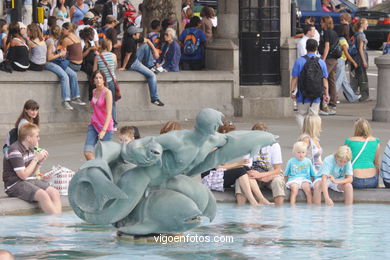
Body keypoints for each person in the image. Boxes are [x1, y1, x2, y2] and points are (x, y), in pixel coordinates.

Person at [201, 121, 271, 206]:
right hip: (210, 178)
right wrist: (238, 164)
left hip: (218, 174)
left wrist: (241, 164)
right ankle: (253, 202)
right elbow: (218, 167)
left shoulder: (223, 146)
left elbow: (225, 166)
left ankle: (262, 199)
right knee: (240, 171)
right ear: (224, 133)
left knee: (246, 169)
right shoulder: (215, 146)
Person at [3, 123, 62, 215]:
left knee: (54, 193)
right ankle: (56, 222)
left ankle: (58, 218)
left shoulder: (31, 148)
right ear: (28, 138)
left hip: (27, 180)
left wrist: (40, 161)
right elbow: (23, 175)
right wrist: (35, 159)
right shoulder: (15, 150)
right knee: (43, 195)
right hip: (14, 184)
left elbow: (30, 173)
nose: (39, 138)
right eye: (37, 136)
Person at [119, 26, 164, 106]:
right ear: (133, 35)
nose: (139, 34)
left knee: (146, 46)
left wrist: (155, 51)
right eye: (138, 33)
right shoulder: (130, 42)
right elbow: (127, 56)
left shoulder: (134, 38)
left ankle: (150, 66)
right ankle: (154, 98)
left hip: (134, 58)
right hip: (132, 64)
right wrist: (124, 67)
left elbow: (148, 41)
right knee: (152, 75)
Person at [290, 39, 330, 130]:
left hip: (302, 94)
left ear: (305, 47)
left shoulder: (299, 61)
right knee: (314, 116)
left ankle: (304, 135)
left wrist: (292, 91)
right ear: (316, 48)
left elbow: (295, 78)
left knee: (301, 114)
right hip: (316, 95)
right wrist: (326, 94)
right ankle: (312, 137)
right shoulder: (321, 62)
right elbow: (325, 79)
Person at [243, 122, 286, 205]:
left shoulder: (274, 145)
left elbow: (277, 169)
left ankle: (279, 213)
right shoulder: (248, 145)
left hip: (271, 173)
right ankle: (242, 212)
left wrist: (263, 175)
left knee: (277, 182)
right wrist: (259, 176)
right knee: (240, 182)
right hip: (254, 175)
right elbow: (246, 167)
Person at [45, 25, 86, 110]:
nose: (61, 32)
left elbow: (61, 53)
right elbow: (50, 57)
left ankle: (75, 97)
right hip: (53, 62)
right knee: (66, 76)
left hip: (60, 62)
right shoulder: (50, 41)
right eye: (60, 30)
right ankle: (66, 100)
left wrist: (60, 54)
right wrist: (60, 54)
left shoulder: (61, 41)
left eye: (63, 30)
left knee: (73, 74)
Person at [84, 70, 114, 161]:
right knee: (87, 152)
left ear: (104, 80)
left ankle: (101, 171)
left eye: (100, 78)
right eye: (96, 78)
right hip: (94, 124)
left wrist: (103, 130)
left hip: (106, 127)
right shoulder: (94, 91)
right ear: (93, 80)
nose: (98, 80)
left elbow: (109, 113)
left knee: (103, 156)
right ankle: (95, 168)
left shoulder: (107, 93)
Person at [344, 118, 380, 189]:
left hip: (355, 179)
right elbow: (376, 163)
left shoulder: (349, 141)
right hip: (372, 180)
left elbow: (344, 162)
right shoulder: (376, 141)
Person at [298, 115, 324, 204]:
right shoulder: (306, 139)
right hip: (312, 171)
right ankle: (316, 213)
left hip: (319, 170)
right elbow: (300, 157)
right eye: (319, 124)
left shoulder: (315, 138)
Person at [94, 39, 118, 128]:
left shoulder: (98, 57)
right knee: (112, 103)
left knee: (101, 104)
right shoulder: (113, 56)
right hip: (111, 82)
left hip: (102, 83)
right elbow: (114, 68)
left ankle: (102, 122)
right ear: (109, 46)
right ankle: (114, 124)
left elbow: (95, 70)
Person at [319, 16, 340, 115]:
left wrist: (323, 58)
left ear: (325, 23)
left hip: (329, 59)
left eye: (322, 22)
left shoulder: (327, 32)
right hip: (335, 59)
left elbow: (327, 46)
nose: (320, 24)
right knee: (331, 80)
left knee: (322, 78)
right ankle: (333, 103)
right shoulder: (334, 32)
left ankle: (324, 104)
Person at [335, 24, 361, 103]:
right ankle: (330, 96)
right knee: (338, 80)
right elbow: (346, 53)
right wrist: (353, 62)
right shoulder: (343, 40)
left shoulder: (338, 38)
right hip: (341, 61)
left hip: (339, 61)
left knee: (344, 81)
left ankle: (352, 97)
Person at [351, 18, 370, 102]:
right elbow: (360, 49)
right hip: (360, 57)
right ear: (361, 24)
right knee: (362, 77)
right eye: (366, 23)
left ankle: (351, 93)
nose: (367, 25)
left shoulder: (356, 34)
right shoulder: (361, 35)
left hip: (357, 57)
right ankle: (364, 96)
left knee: (357, 76)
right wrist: (364, 61)